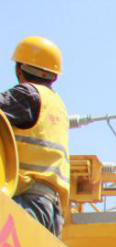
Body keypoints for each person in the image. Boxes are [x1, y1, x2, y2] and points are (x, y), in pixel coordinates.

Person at [1, 37, 68, 236]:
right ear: (54, 76)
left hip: (28, 201)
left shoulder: (27, 94)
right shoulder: (57, 104)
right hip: (51, 210)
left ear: (20, 70)